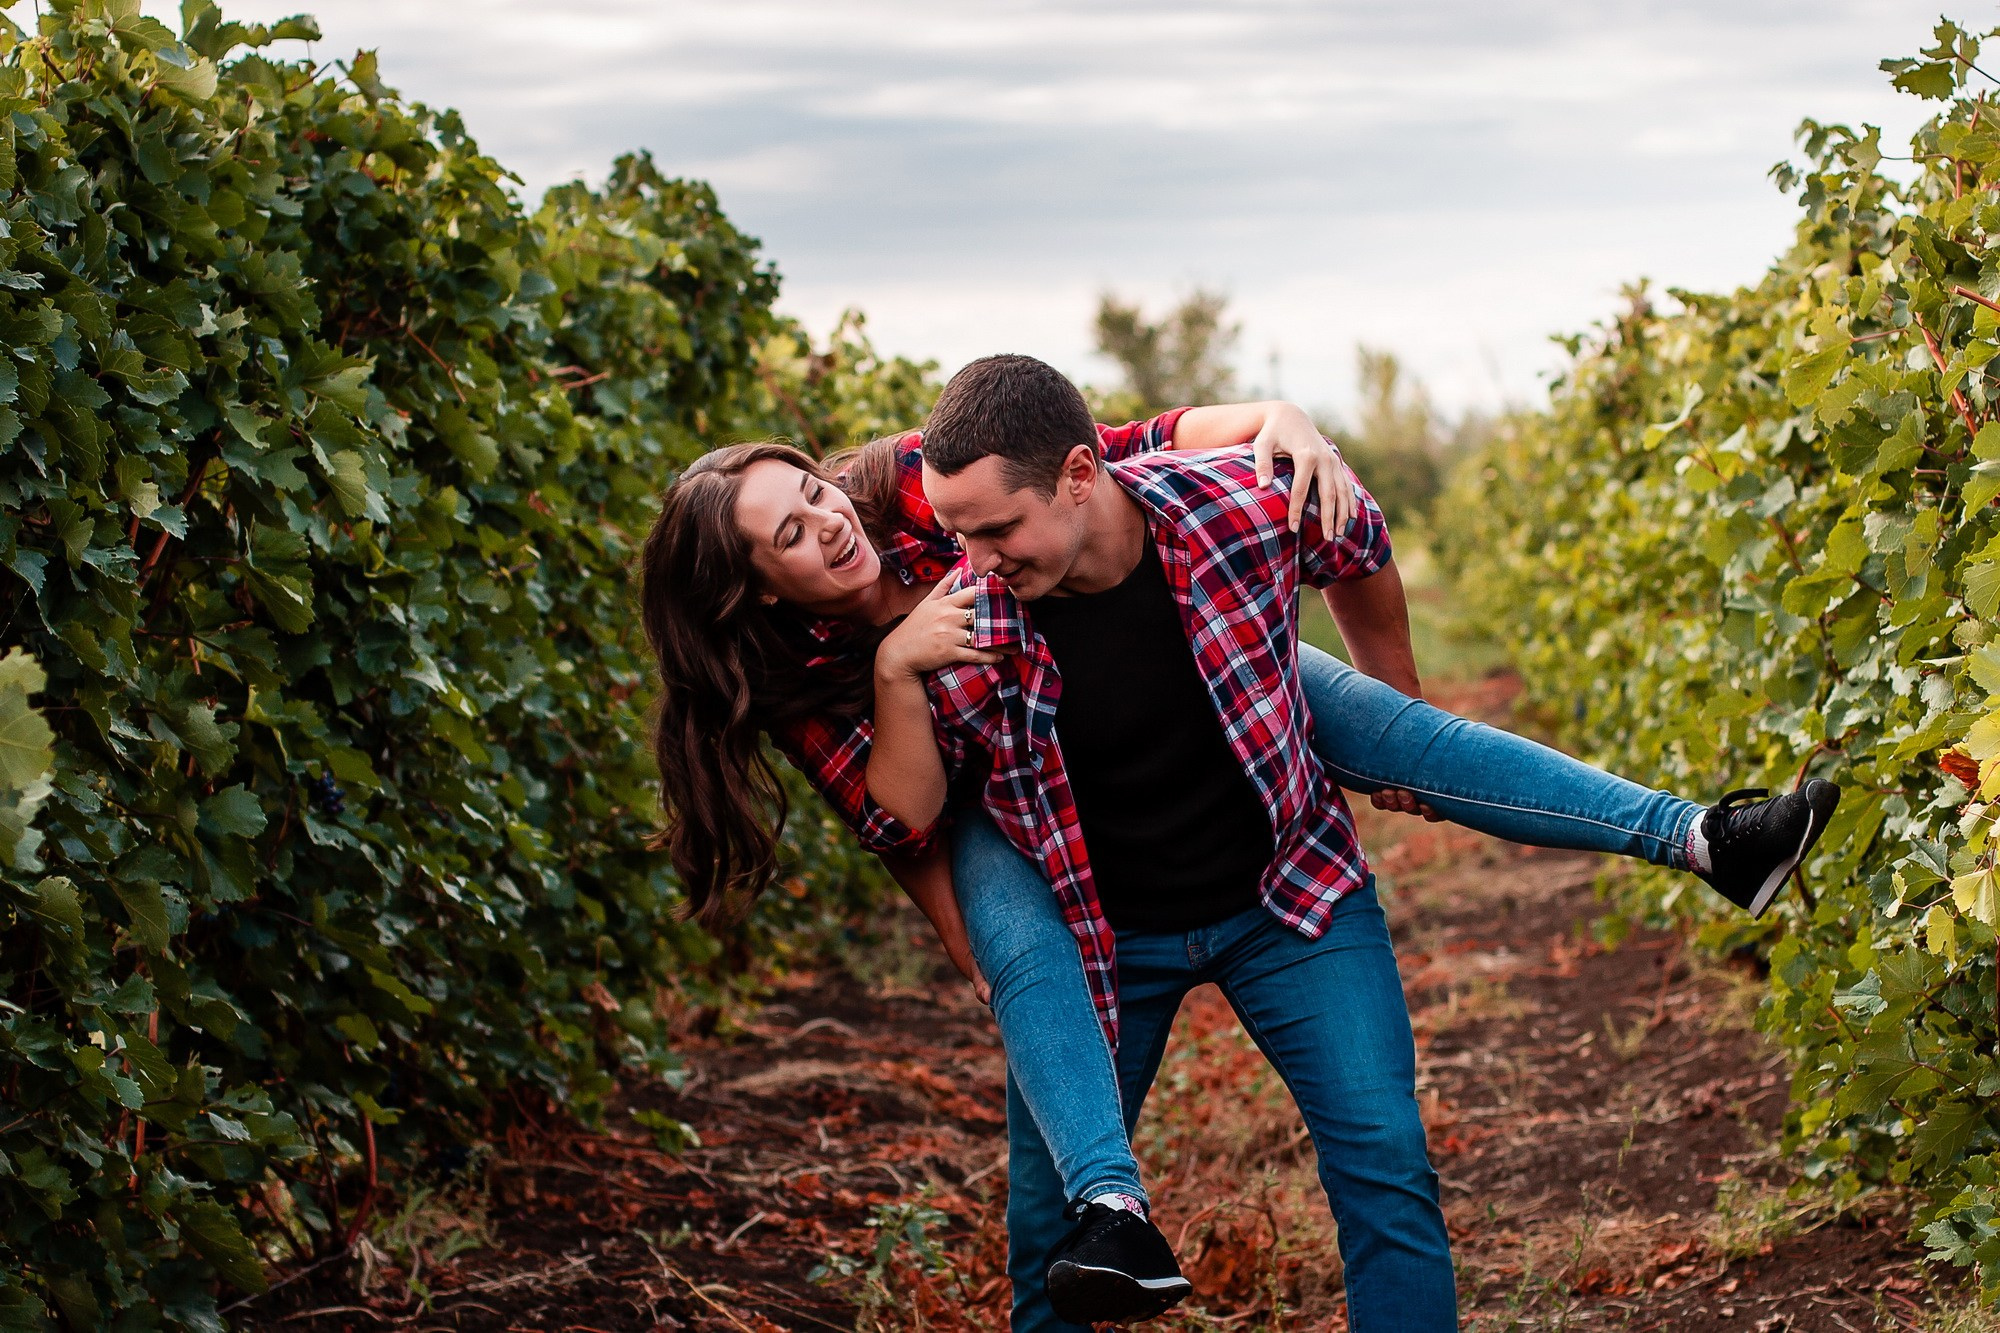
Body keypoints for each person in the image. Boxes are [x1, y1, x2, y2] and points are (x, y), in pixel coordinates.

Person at [638, 385, 1841, 1330]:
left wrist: (1281, 419)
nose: (827, 525)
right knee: (1044, 1209)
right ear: (756, 591)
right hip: (1024, 839)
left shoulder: (934, 482)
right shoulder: (848, 665)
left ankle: (1698, 835)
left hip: (1270, 871)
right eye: (786, 537)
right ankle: (1113, 1210)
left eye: (809, 494)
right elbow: (908, 835)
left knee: (1372, 744)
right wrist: (1007, 973)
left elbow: (1128, 446)